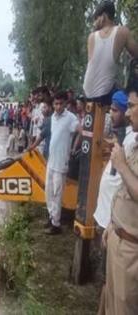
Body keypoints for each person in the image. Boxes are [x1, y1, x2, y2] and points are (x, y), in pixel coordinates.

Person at [93, 90, 135, 314]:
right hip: (113, 224)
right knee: (107, 284)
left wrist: (119, 162)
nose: (126, 113)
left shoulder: (130, 141)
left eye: (129, 107)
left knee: (114, 289)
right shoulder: (127, 140)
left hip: (124, 237)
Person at [103, 85, 138, 314]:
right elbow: (124, 192)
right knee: (111, 301)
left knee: (124, 307)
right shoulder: (134, 142)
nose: (126, 112)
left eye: (132, 106)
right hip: (118, 237)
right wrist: (111, 225)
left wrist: (122, 166)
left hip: (131, 250)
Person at [83, 0, 138, 104]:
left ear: (103, 16)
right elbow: (136, 53)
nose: (95, 22)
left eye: (96, 18)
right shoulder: (123, 31)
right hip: (106, 93)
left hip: (87, 92)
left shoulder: (91, 37)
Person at [44, 92, 80, 235]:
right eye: (56, 104)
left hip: (61, 164)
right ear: (53, 105)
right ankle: (51, 217)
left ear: (65, 104)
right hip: (51, 161)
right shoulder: (52, 117)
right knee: (48, 192)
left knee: (57, 194)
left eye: (60, 104)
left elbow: (81, 131)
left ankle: (56, 225)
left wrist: (74, 148)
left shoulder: (71, 118)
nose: (58, 106)